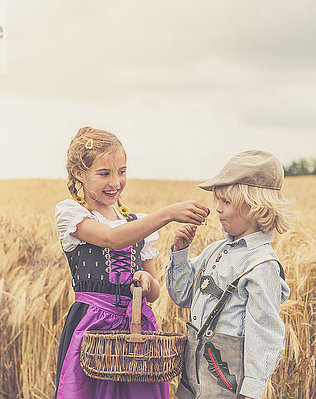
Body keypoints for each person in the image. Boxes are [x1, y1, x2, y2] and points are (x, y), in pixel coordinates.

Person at [54, 126, 209, 399]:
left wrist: (148, 282)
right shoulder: (72, 213)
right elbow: (113, 239)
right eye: (104, 173)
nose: (115, 182)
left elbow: (156, 292)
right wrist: (168, 213)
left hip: (136, 327)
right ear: (79, 173)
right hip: (91, 325)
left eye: (121, 171)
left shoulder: (136, 222)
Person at [166, 150, 292, 399]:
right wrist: (180, 253)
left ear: (255, 205)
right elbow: (181, 295)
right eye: (218, 201)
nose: (217, 209)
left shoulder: (261, 264)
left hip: (227, 387)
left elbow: (264, 332)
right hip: (191, 381)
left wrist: (251, 391)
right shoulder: (214, 251)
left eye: (226, 202)